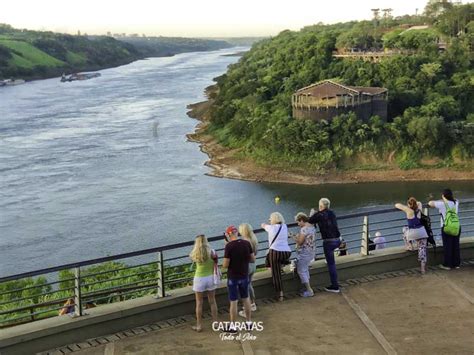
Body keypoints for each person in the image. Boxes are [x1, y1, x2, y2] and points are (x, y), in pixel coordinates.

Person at [223, 225, 255, 329]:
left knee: (233, 301)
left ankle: (233, 326)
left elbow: (225, 265)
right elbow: (252, 259)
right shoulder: (246, 243)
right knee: (246, 299)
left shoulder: (229, 246)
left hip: (233, 277)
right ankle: (249, 323)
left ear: (229, 234)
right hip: (244, 275)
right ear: (237, 233)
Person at [309, 198, 342, 293]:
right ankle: (328, 260)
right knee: (330, 260)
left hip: (329, 242)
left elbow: (310, 220)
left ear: (320, 206)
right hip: (338, 240)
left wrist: (313, 213)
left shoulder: (319, 215)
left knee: (331, 265)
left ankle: (335, 286)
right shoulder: (332, 212)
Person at [189, 234, 218, 332]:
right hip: (210, 278)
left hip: (199, 279)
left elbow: (192, 258)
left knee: (199, 303)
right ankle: (215, 323)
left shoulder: (195, 253)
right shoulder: (212, 252)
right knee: (212, 301)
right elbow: (216, 262)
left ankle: (199, 325)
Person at [261, 212, 292, 301]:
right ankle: (283, 264)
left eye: (270, 219)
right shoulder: (285, 226)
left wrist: (264, 224)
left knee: (276, 274)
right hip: (286, 252)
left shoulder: (271, 228)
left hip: (275, 253)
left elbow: (263, 225)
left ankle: (280, 294)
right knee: (271, 258)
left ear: (273, 219)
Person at [428, 189, 461, 270]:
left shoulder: (442, 204)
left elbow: (430, 203)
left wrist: (438, 199)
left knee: (448, 246)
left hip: (446, 227)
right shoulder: (456, 202)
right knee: (455, 245)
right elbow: (455, 199)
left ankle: (447, 265)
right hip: (457, 226)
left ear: (443, 196)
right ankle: (456, 264)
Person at [395, 198, 428, 274]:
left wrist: (407, 206)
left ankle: (409, 246)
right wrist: (415, 203)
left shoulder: (408, 210)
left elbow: (397, 205)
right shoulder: (419, 209)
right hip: (422, 232)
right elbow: (419, 202)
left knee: (404, 229)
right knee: (422, 249)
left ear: (409, 204)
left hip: (412, 233)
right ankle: (423, 269)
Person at [292, 213, 316, 297]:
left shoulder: (304, 229)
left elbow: (300, 242)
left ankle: (309, 290)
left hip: (304, 252)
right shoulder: (312, 227)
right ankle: (307, 288)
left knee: (301, 271)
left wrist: (293, 237)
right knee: (305, 269)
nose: (298, 224)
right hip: (311, 251)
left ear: (302, 220)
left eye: (298, 222)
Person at [238, 223, 258, 317]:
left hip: (246, 266)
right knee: (249, 284)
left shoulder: (244, 242)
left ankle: (247, 309)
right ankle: (253, 304)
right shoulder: (254, 239)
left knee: (244, 287)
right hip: (253, 265)